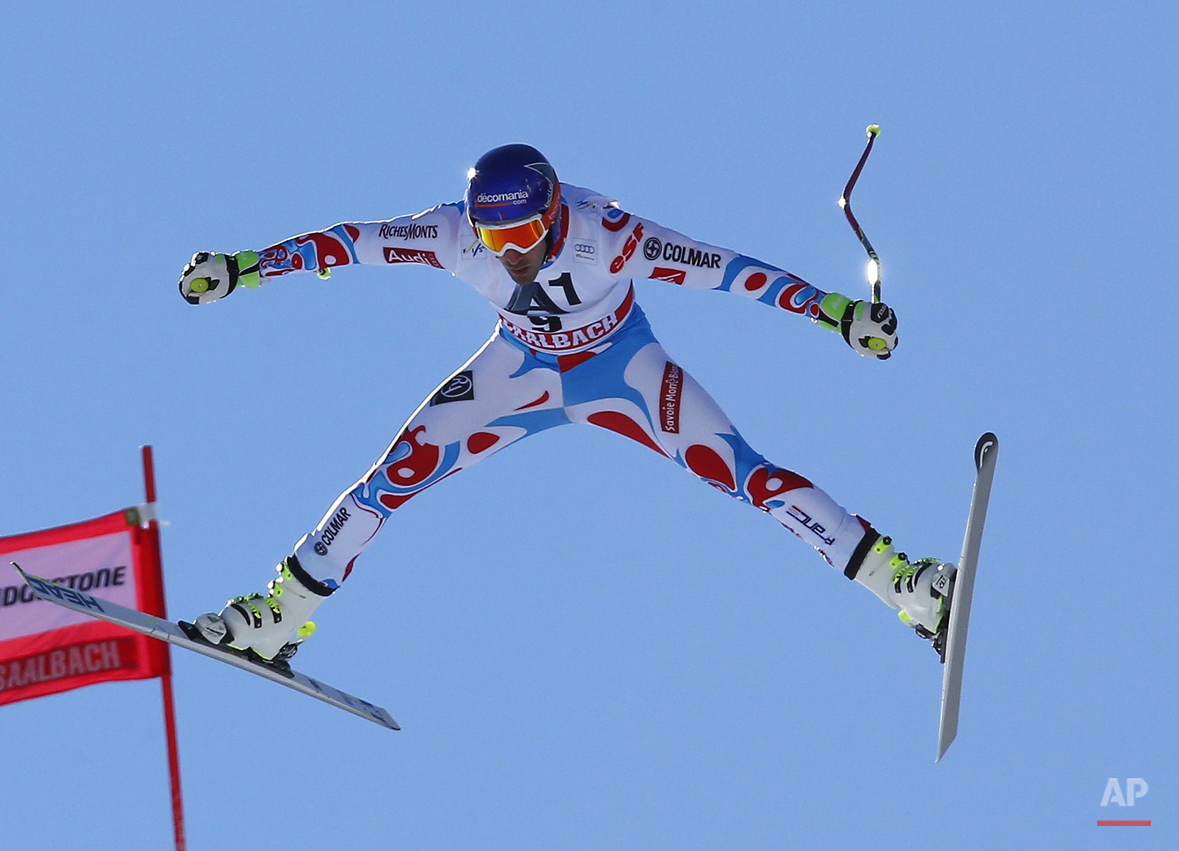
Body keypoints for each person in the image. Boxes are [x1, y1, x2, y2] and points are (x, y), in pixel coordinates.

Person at [178, 143, 954, 666]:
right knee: (395, 473)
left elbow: (730, 271)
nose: (508, 251)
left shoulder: (610, 234)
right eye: (491, 233)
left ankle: (908, 588)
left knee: (742, 472)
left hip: (622, 367)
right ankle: (277, 618)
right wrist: (243, 267)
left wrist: (838, 314)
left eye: (521, 231)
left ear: (552, 213)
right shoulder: (454, 236)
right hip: (519, 367)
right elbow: (349, 242)